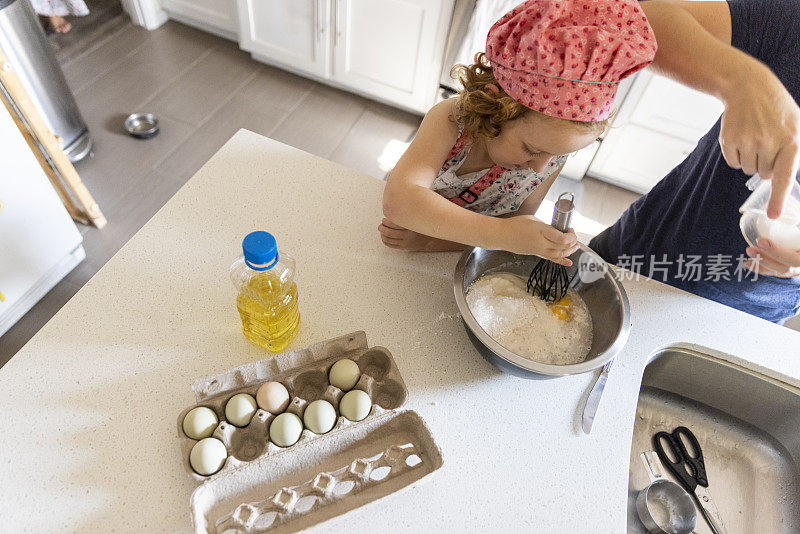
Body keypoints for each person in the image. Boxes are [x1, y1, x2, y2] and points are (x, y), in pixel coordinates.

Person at [380, 0, 657, 264]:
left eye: (559, 155)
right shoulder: (451, 121)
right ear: (492, 108)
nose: (539, 168)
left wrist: (432, 242)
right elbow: (400, 201)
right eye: (532, 150)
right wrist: (504, 235)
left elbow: (513, 227)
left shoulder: (549, 159)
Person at [589, 0, 800, 324]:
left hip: (746, 317)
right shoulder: (791, 24)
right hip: (640, 255)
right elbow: (631, 19)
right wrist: (742, 79)